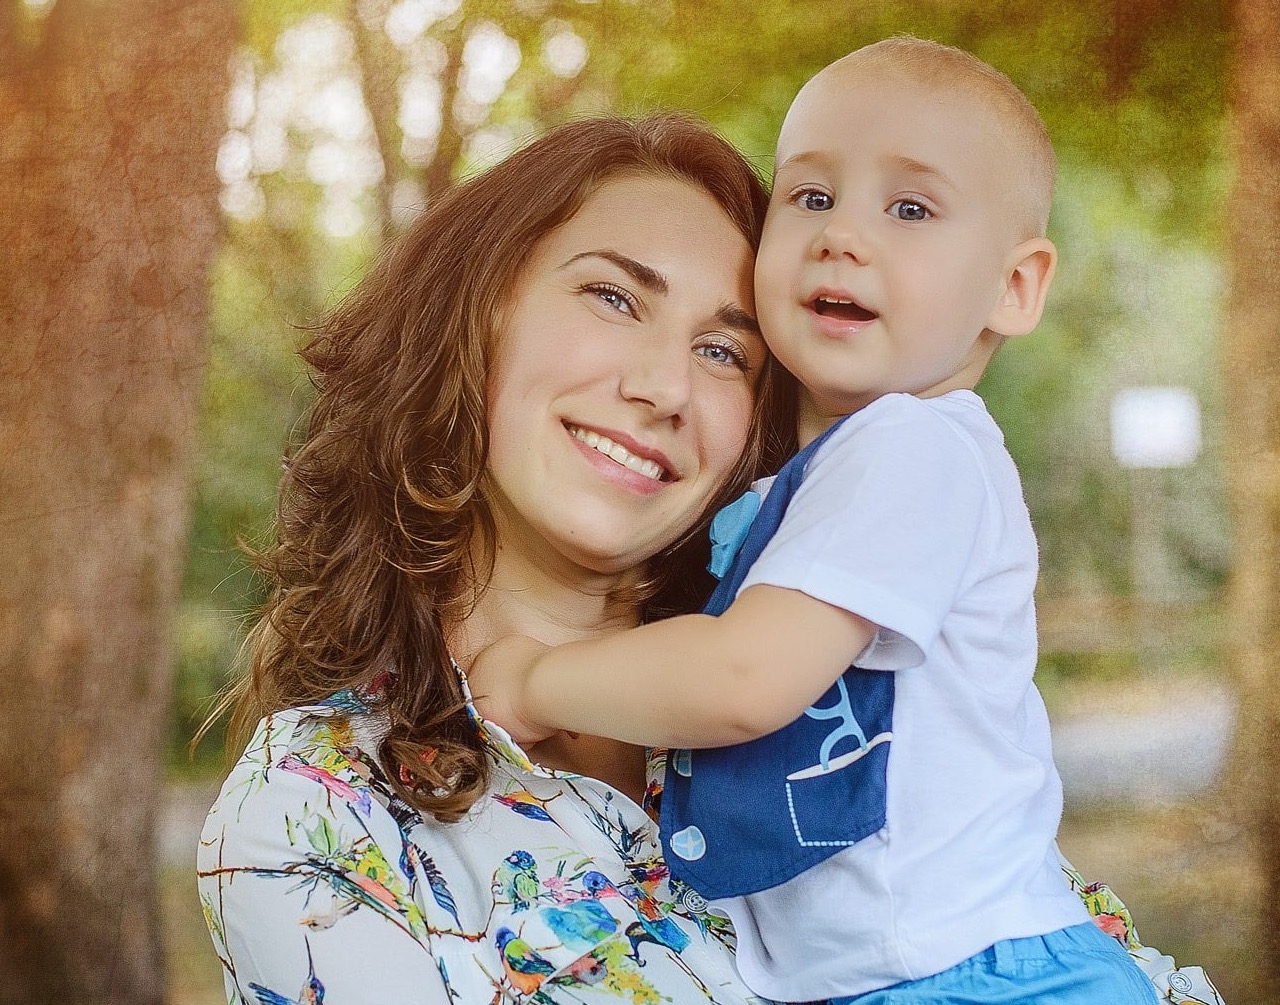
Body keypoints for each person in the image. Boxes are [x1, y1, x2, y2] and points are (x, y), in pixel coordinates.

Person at [469, 40, 1224, 1005]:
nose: (843, 236)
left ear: (1015, 287)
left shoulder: (912, 449)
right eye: (812, 197)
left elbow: (745, 678)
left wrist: (536, 678)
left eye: (910, 209)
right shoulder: (832, 475)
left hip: (972, 978)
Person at [197, 114, 795, 1005]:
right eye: (614, 298)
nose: (664, 388)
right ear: (475, 312)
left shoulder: (821, 705)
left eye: (722, 352)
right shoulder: (311, 815)